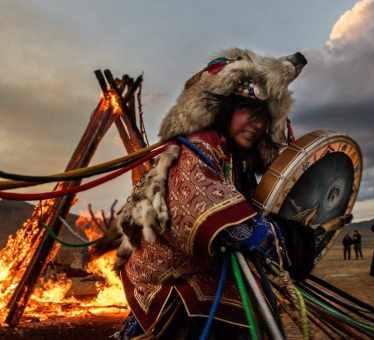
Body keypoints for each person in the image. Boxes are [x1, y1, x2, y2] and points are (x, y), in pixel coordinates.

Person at [113, 48, 308, 339]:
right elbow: (204, 212)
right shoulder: (196, 147)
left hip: (201, 276)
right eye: (248, 111)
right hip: (173, 288)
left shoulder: (233, 158)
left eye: (264, 117)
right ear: (224, 109)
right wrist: (278, 236)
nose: (257, 124)